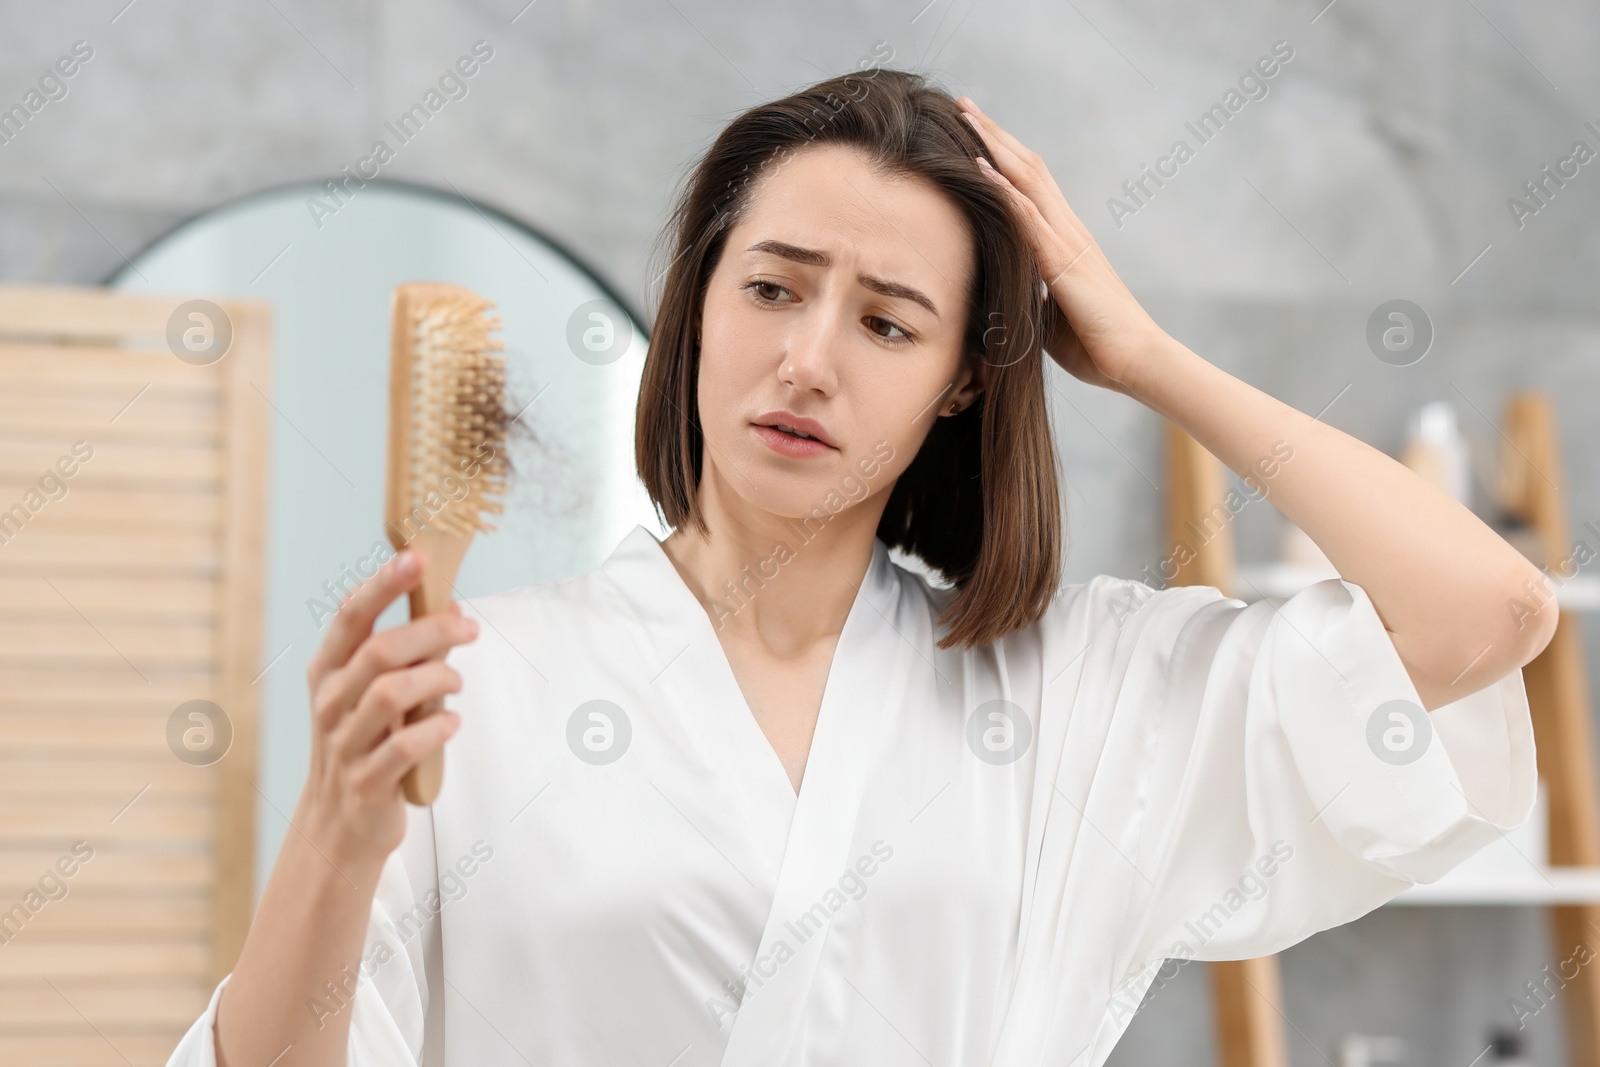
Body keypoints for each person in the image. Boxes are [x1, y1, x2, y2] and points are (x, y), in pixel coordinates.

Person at [168, 68, 1554, 1067]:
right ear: (698, 310)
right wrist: (336, 842)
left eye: (890, 325)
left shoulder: (1071, 692)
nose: (808, 360)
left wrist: (1143, 354)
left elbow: (1488, 613)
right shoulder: (480, 681)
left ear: (963, 382)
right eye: (770, 288)